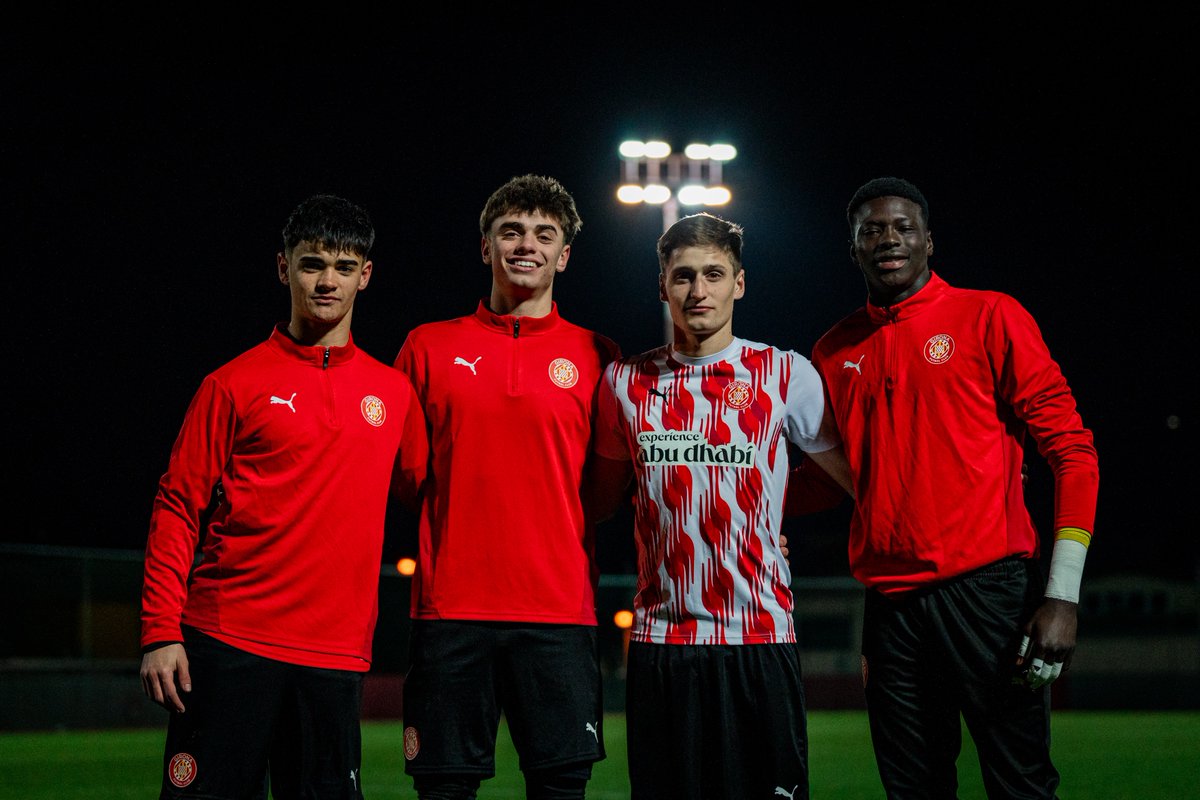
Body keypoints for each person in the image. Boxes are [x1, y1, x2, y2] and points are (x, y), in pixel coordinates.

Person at [809, 176, 1100, 799]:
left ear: (929, 242)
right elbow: (833, 480)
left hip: (988, 595)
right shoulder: (833, 351)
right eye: (872, 231)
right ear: (853, 249)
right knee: (911, 789)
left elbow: (1073, 453)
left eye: (903, 228)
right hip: (889, 607)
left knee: (1018, 783)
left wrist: (1064, 594)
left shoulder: (990, 315)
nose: (889, 240)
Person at [139, 194, 428, 799]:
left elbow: (433, 495)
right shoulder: (231, 383)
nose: (327, 281)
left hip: (335, 653)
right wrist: (161, 631)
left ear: (365, 276)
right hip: (226, 642)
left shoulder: (394, 393)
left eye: (344, 267)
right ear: (283, 267)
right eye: (311, 263)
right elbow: (177, 507)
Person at [588, 212, 854, 800]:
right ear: (662, 285)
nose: (698, 290)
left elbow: (852, 482)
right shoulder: (624, 382)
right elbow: (599, 501)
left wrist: (771, 517)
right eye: (683, 276)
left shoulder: (785, 373)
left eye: (714, 273)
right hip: (662, 644)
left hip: (759, 637)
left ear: (740, 283)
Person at [393, 174, 620, 800]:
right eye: (512, 231)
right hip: (450, 612)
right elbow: (409, 475)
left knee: (560, 789)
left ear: (564, 254)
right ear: (486, 245)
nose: (528, 245)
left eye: (545, 235)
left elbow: (606, 487)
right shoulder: (427, 346)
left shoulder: (598, 354)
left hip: (558, 614)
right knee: (443, 789)